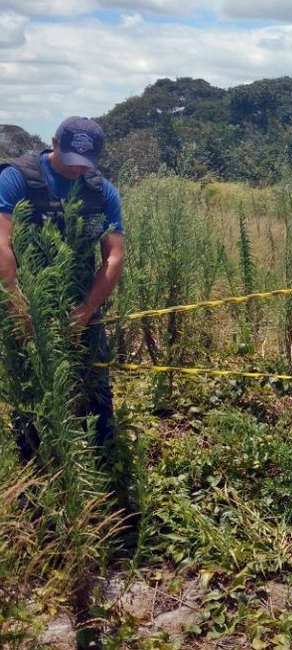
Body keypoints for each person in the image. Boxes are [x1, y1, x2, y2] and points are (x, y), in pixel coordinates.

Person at [0, 115, 128, 494]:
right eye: (69, 156)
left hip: (79, 302)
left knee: (94, 384)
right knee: (31, 387)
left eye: (85, 163)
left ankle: (105, 470)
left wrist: (85, 313)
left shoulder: (102, 191)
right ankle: (33, 481)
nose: (76, 168)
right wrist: (20, 307)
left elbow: (114, 257)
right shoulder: (17, 179)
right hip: (22, 298)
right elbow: (2, 244)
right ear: (53, 143)